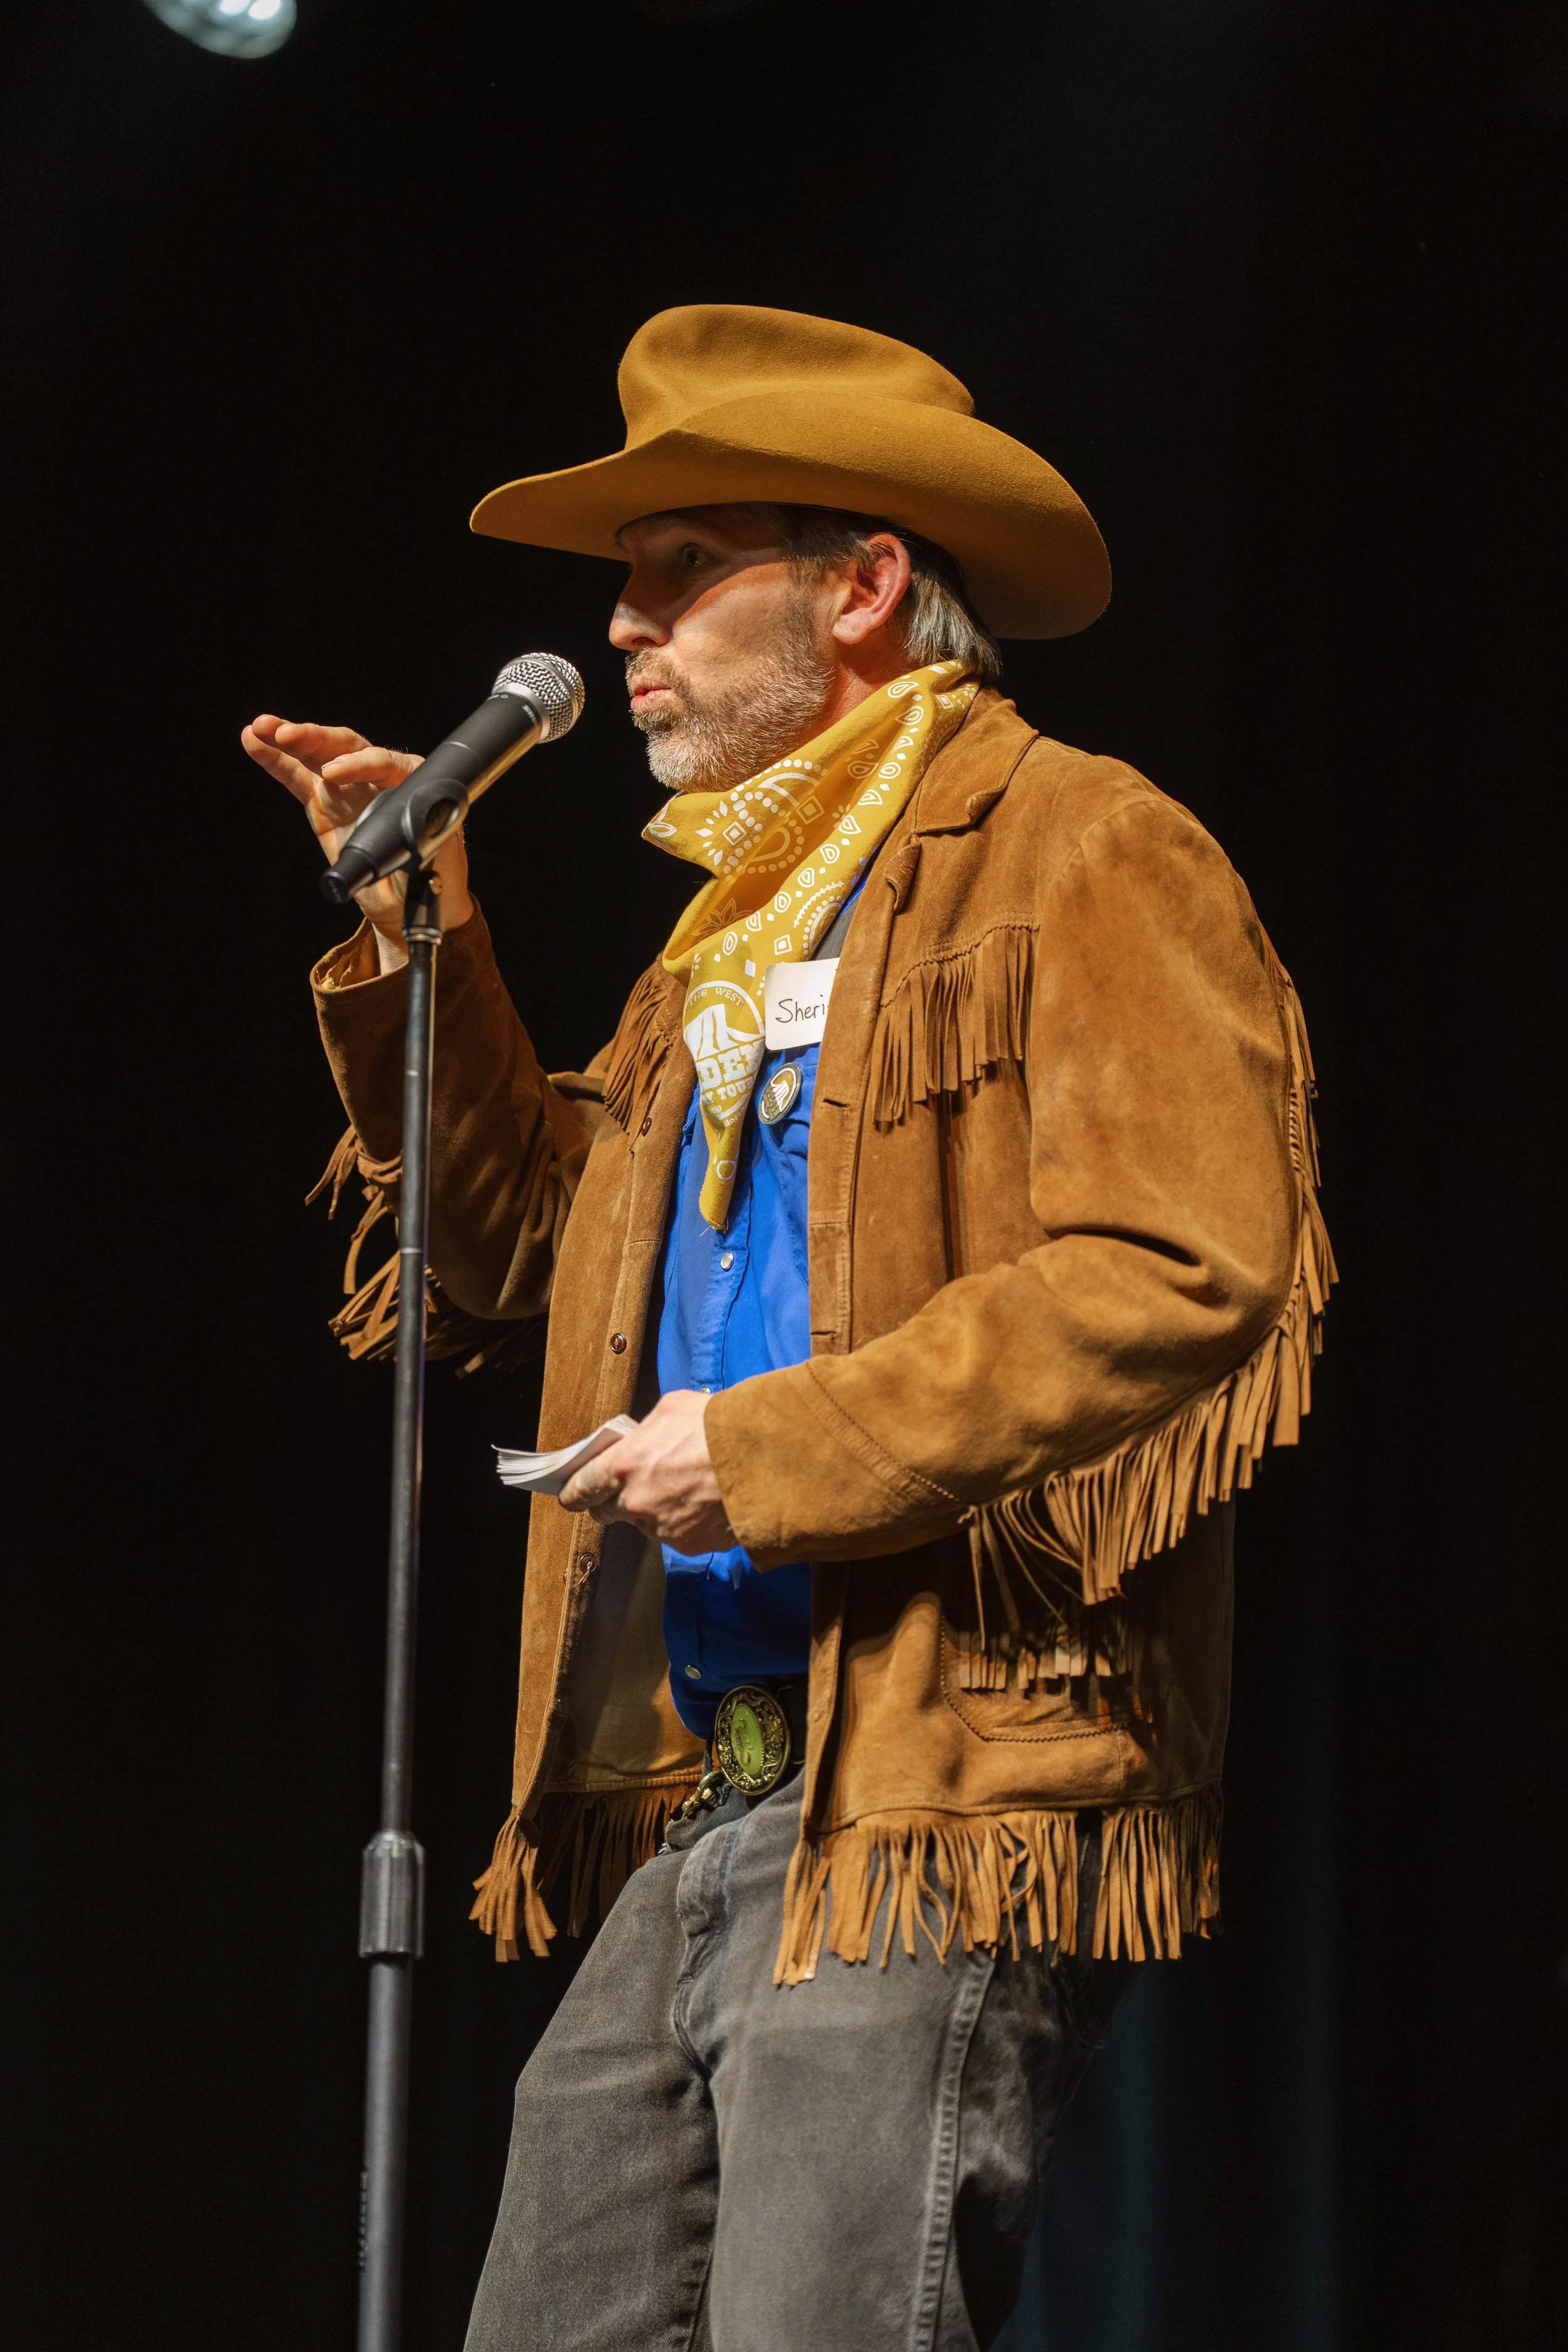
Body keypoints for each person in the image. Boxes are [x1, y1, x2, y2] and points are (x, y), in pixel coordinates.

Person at [243, 305, 1334, 2352]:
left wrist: (759, 1446)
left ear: (860, 586)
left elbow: (1191, 1256)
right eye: (624, 578)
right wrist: (421, 929)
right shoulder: (725, 939)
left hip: (939, 1780)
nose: (622, 622)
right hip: (720, 1779)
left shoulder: (1081, 845)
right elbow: (511, 1261)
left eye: (677, 567)